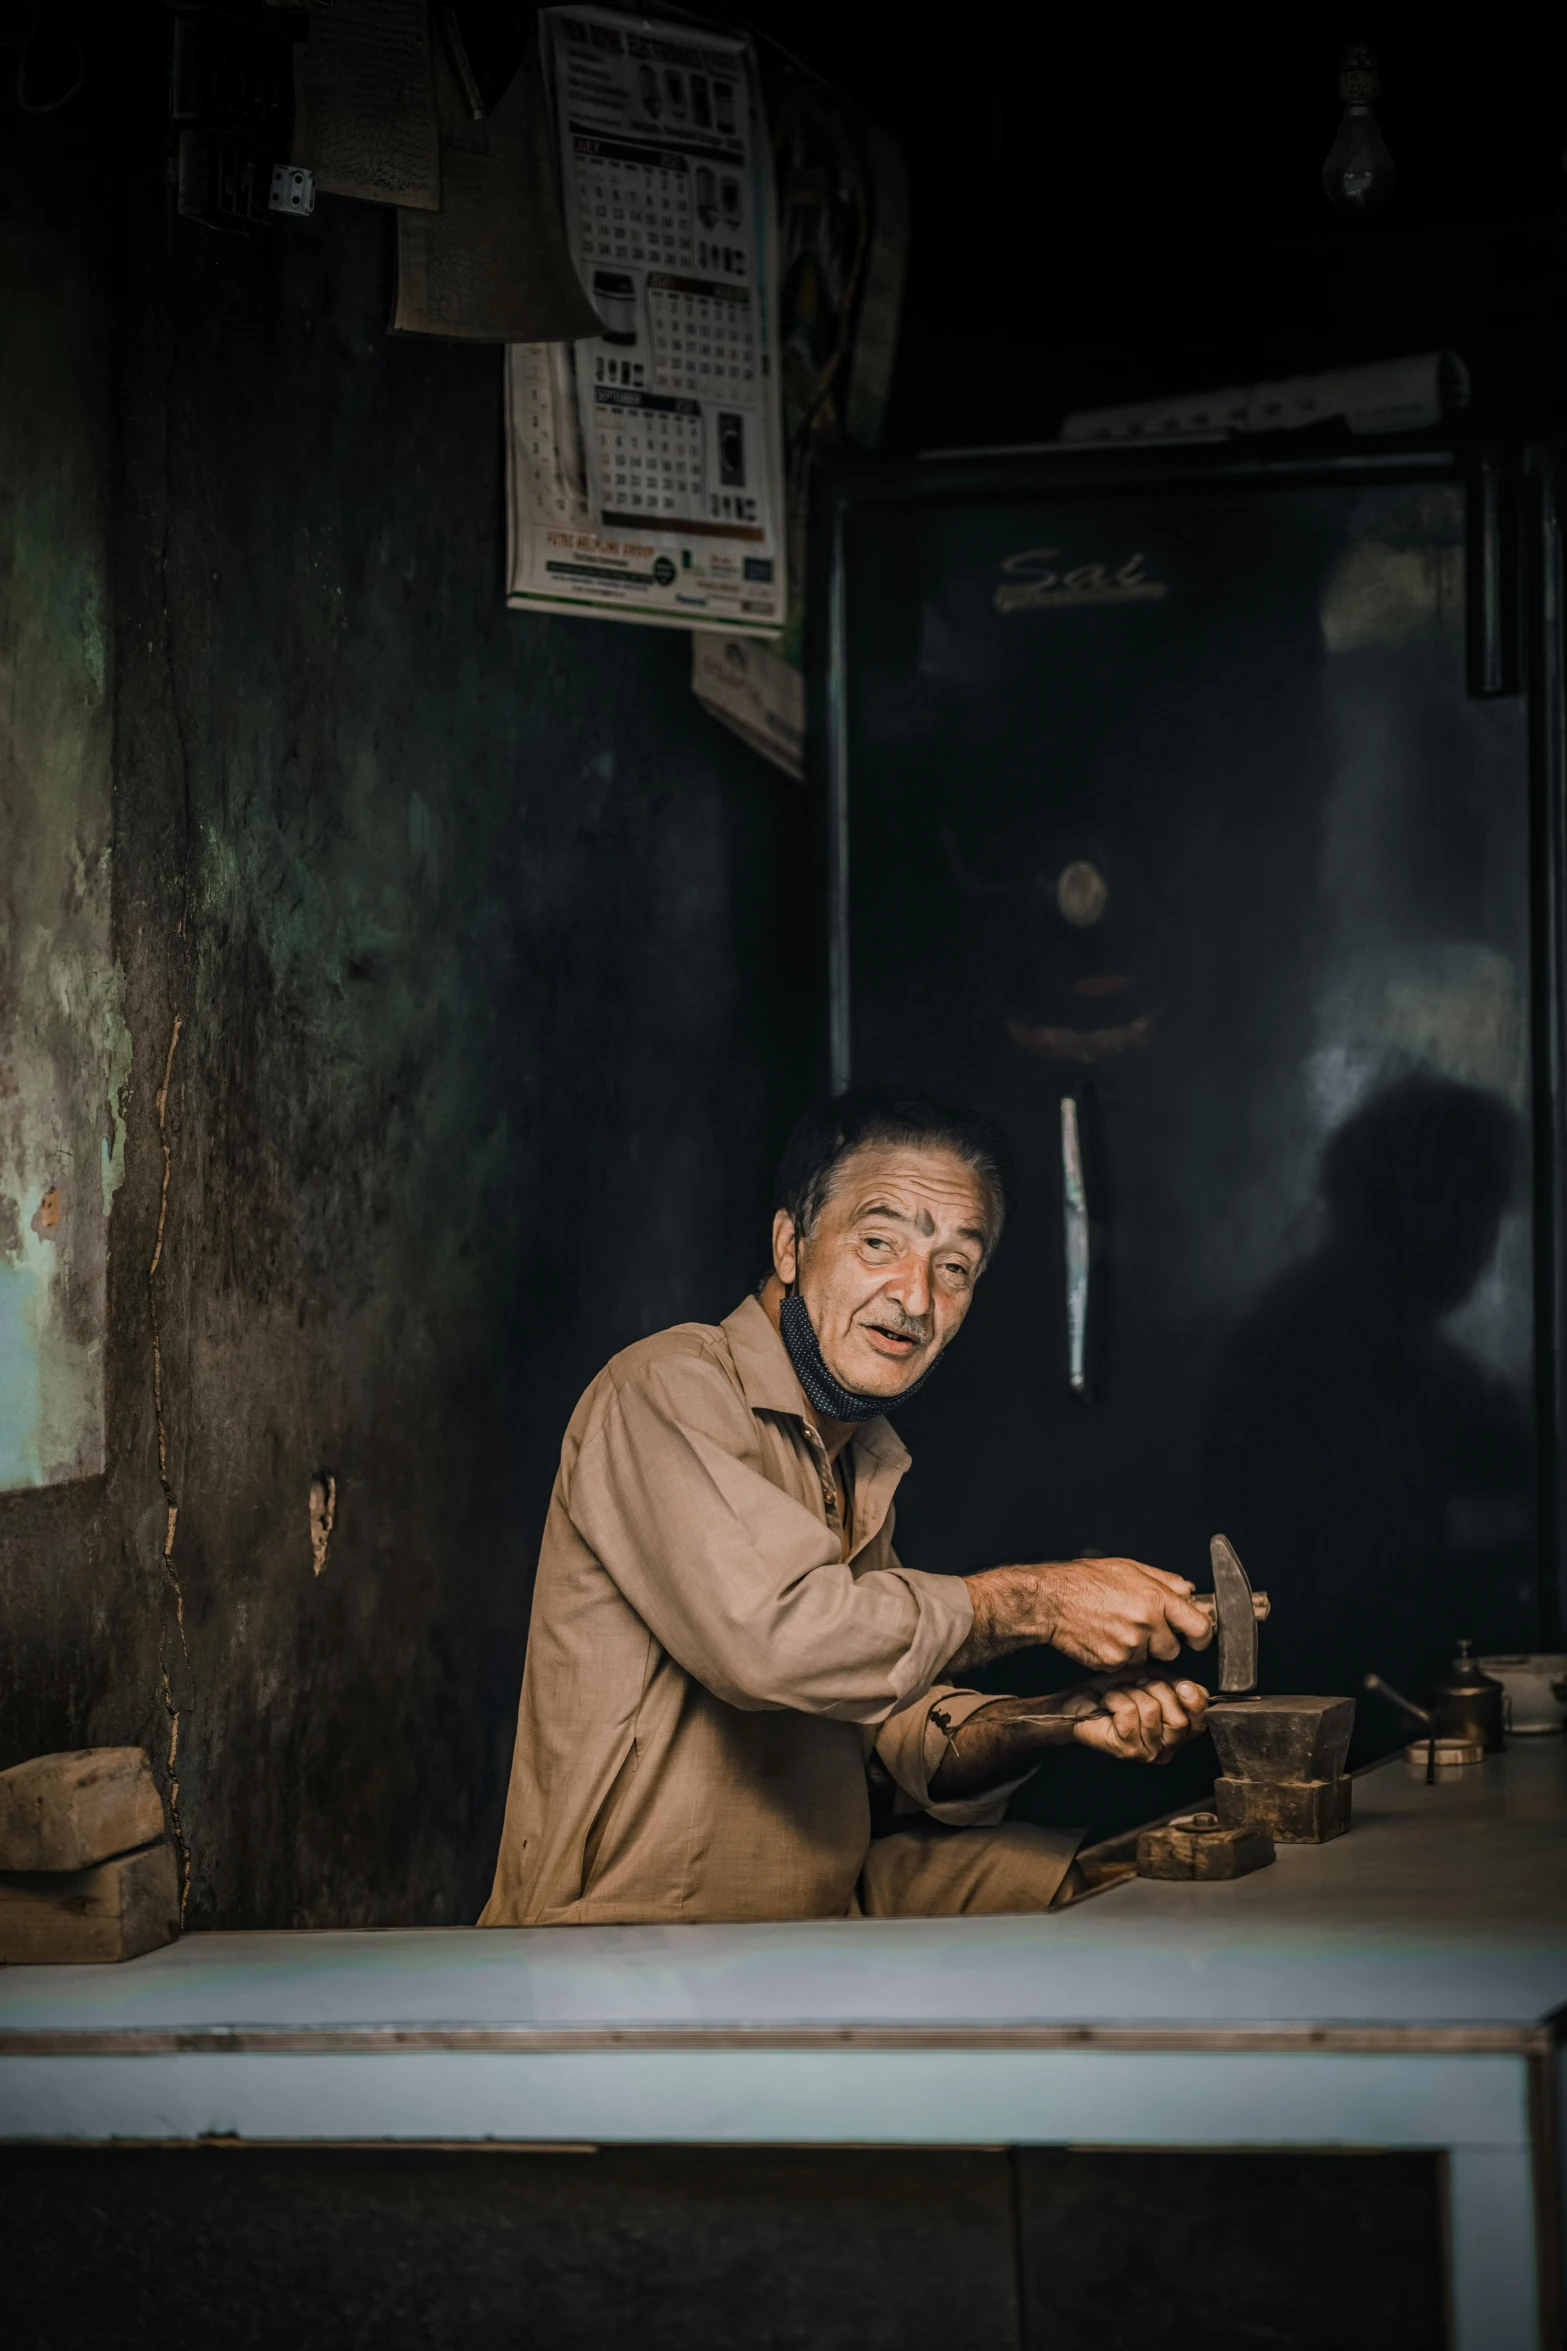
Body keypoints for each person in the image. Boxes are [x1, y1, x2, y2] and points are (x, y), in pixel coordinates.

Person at [481, 1088, 1212, 1926]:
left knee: (1112, 1887)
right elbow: (778, 1636)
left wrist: (1054, 1718)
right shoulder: (665, 1390)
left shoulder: (858, 1456)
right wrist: (1039, 1602)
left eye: (954, 1268)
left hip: (805, 1932)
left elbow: (883, 1719)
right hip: (627, 1959)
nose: (914, 1298)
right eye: (879, 1243)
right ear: (790, 1245)